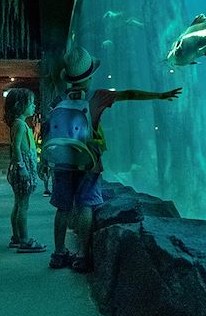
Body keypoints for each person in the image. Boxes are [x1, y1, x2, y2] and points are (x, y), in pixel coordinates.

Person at [45, 47, 182, 272]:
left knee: (62, 208)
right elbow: (129, 94)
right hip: (88, 163)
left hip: (61, 163)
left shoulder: (57, 102)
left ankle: (58, 253)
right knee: (86, 205)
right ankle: (81, 254)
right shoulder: (97, 98)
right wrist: (158, 95)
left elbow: (51, 130)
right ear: (89, 77)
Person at [4, 88, 47, 253]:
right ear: (19, 105)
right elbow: (15, 147)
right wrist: (22, 167)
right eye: (31, 103)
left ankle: (16, 237)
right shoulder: (20, 125)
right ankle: (25, 240)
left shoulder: (18, 123)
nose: (34, 106)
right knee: (23, 205)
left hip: (21, 168)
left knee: (18, 203)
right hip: (23, 169)